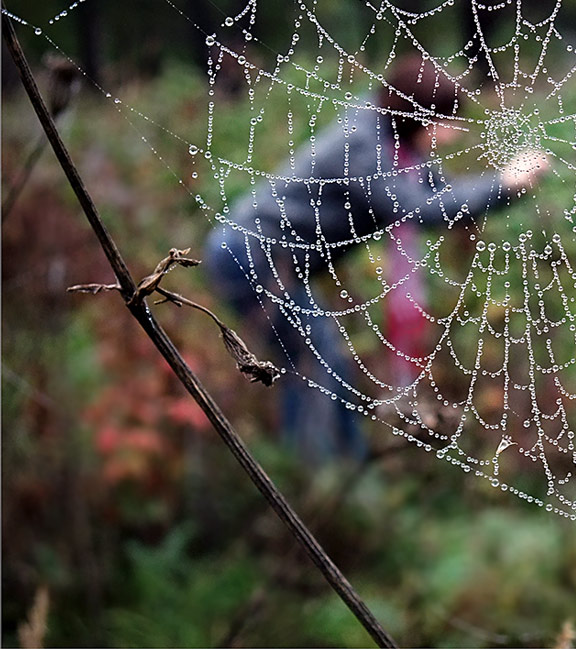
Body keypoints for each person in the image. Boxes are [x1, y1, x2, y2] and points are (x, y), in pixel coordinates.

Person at [203, 56, 548, 463]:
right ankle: (311, 477)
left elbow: (444, 192)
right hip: (251, 257)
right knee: (315, 368)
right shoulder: (364, 143)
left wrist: (506, 186)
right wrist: (503, 183)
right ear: (416, 115)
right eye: (445, 123)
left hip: (275, 262)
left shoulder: (396, 144)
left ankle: (345, 472)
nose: (451, 135)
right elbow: (417, 209)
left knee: (326, 366)